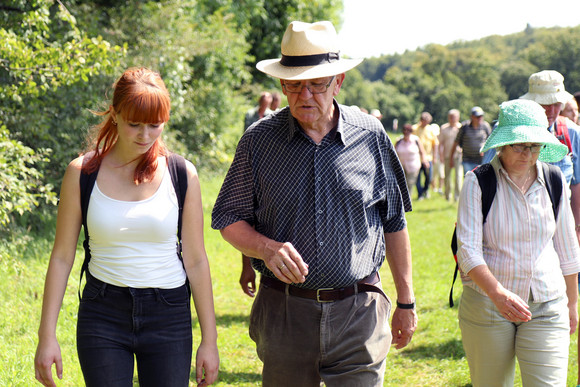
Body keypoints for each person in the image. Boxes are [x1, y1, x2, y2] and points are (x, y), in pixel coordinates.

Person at [212, 20, 417, 386]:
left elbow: (394, 221)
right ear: (281, 85)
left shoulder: (370, 135)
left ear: (338, 82)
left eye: (317, 84)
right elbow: (229, 216)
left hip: (359, 312)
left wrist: (406, 302)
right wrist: (265, 248)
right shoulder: (258, 142)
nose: (304, 95)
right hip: (285, 314)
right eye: (293, 84)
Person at [34, 67, 219, 387]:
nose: (145, 136)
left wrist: (210, 340)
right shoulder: (82, 173)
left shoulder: (182, 174)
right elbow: (62, 256)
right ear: (115, 114)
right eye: (134, 124)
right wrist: (46, 336)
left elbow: (196, 259)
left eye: (154, 125)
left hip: (169, 315)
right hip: (103, 313)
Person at [456, 99, 579, 386]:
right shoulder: (478, 182)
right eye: (519, 145)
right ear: (502, 145)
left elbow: (567, 247)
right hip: (488, 305)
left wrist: (572, 304)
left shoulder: (554, 179)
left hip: (546, 305)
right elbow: (468, 251)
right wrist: (498, 294)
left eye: (534, 145)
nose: (527, 153)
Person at [519, 70, 580, 241]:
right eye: (545, 104)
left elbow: (576, 184)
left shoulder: (572, 133)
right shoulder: (511, 134)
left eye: (557, 103)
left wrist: (577, 227)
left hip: (561, 225)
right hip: (519, 229)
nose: (552, 110)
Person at [450, 106, 491, 174]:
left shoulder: (485, 126)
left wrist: (485, 149)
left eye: (481, 116)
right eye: (477, 116)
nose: (479, 118)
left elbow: (490, 142)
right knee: (469, 179)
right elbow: (456, 142)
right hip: (467, 160)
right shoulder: (465, 126)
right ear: (472, 116)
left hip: (482, 161)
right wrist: (451, 159)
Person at [395, 123, 429, 198]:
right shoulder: (399, 140)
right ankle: (402, 199)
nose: (406, 132)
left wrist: (424, 161)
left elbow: (422, 152)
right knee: (402, 183)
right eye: (405, 131)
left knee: (410, 183)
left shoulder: (416, 140)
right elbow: (394, 152)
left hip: (413, 165)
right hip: (401, 165)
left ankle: (407, 199)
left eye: (408, 131)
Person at [412, 112, 439, 199]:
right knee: (417, 177)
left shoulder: (430, 130)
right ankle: (420, 194)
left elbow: (435, 144)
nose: (425, 123)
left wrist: (435, 157)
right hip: (416, 158)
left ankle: (425, 190)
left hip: (428, 158)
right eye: (424, 121)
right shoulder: (414, 128)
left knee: (428, 176)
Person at [438, 109, 463, 201]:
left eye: (454, 117)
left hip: (458, 156)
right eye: (451, 117)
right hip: (447, 155)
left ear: (458, 117)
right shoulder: (444, 128)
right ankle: (447, 195)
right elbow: (440, 143)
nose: (452, 119)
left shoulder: (461, 127)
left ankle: (457, 196)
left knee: (458, 176)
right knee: (447, 177)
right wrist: (441, 156)